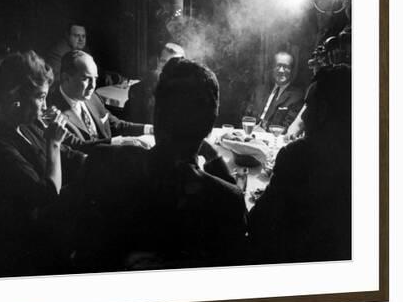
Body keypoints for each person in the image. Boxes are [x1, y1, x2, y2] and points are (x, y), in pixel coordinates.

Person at [71, 57, 248, 272]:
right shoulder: (227, 201)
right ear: (210, 127)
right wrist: (215, 159)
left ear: (156, 115)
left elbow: (73, 243)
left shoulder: (103, 161)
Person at [0, 50, 86, 278]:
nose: (45, 105)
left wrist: (103, 161)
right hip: (30, 253)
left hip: (56, 227)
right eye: (41, 97)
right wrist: (53, 145)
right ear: (14, 98)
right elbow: (47, 195)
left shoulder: (27, 123)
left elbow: (70, 155)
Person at [248, 65, 351, 264]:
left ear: (322, 111)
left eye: (309, 106)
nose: (303, 116)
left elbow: (257, 222)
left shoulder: (297, 155)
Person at [47, 50, 153, 152]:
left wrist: (149, 129)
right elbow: (79, 147)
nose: (93, 86)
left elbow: (115, 124)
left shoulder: (93, 97)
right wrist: (120, 142)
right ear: (66, 78)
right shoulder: (52, 111)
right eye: (86, 79)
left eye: (95, 79)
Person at [124, 42, 185, 124]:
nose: (167, 66)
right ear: (158, 63)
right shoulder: (139, 91)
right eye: (163, 61)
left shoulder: (189, 92)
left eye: (173, 62)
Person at [245, 51, 304, 132]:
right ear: (272, 67)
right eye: (278, 66)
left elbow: (287, 127)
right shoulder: (260, 90)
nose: (281, 70)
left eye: (286, 67)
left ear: (292, 70)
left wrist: (264, 132)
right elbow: (246, 116)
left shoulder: (297, 97)